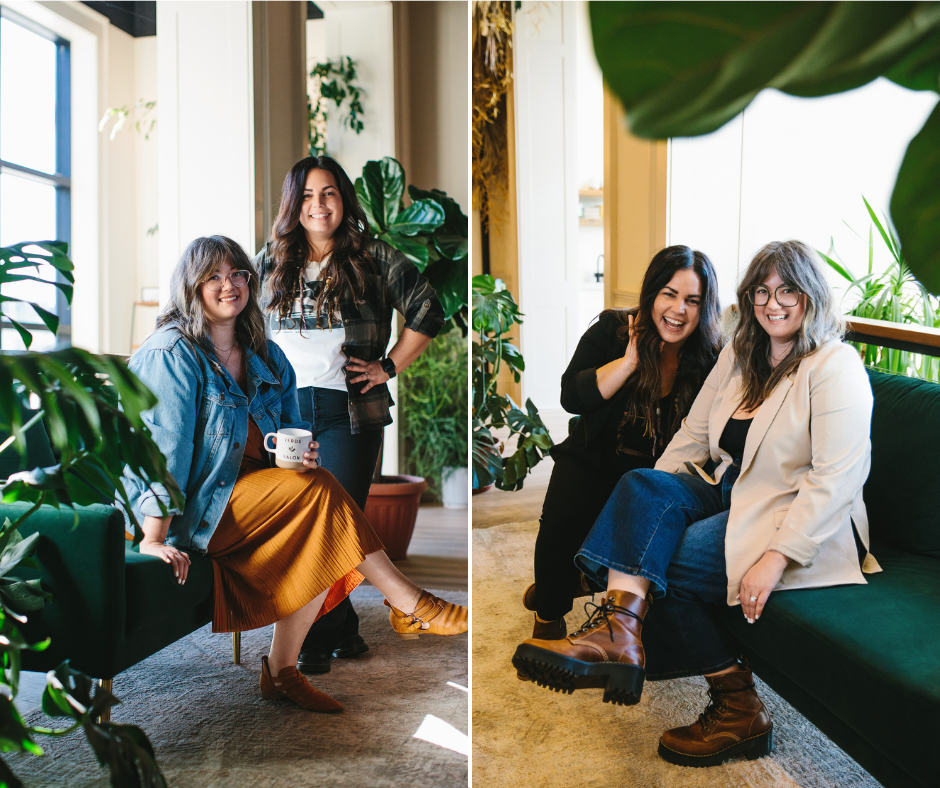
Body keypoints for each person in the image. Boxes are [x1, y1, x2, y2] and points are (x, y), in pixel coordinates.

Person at [513, 240, 879, 766]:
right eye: (762, 291)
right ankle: (620, 633)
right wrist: (640, 514)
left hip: (794, 512)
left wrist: (777, 556)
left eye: (787, 291)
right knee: (640, 490)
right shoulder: (740, 353)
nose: (773, 304)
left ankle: (738, 706)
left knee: (670, 565)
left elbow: (837, 479)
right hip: (728, 489)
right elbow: (692, 433)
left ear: (811, 296)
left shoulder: (832, 364)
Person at [122, 235, 466, 713]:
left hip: (249, 494)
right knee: (322, 497)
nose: (230, 285)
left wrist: (299, 459)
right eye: (214, 277)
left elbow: (290, 432)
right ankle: (409, 604)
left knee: (320, 515)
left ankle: (282, 673)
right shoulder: (171, 353)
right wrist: (153, 536)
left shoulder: (265, 354)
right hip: (197, 507)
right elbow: (159, 452)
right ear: (191, 286)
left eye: (238, 274)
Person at [252, 155, 445, 674]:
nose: (319, 205)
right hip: (285, 412)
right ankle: (341, 628)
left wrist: (387, 366)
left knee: (337, 521)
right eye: (309, 195)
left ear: (344, 200)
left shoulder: (373, 256)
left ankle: (311, 639)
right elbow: (242, 325)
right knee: (304, 524)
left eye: (330, 193)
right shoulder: (268, 261)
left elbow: (429, 307)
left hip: (348, 410)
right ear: (294, 204)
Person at [521, 246, 722, 640]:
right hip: (596, 456)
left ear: (704, 307)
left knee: (649, 541)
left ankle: (581, 584)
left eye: (692, 300)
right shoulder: (613, 329)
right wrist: (628, 363)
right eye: (669, 293)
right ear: (651, 294)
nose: (678, 310)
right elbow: (571, 396)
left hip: (657, 474)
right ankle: (548, 612)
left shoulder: (712, 358)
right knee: (559, 525)